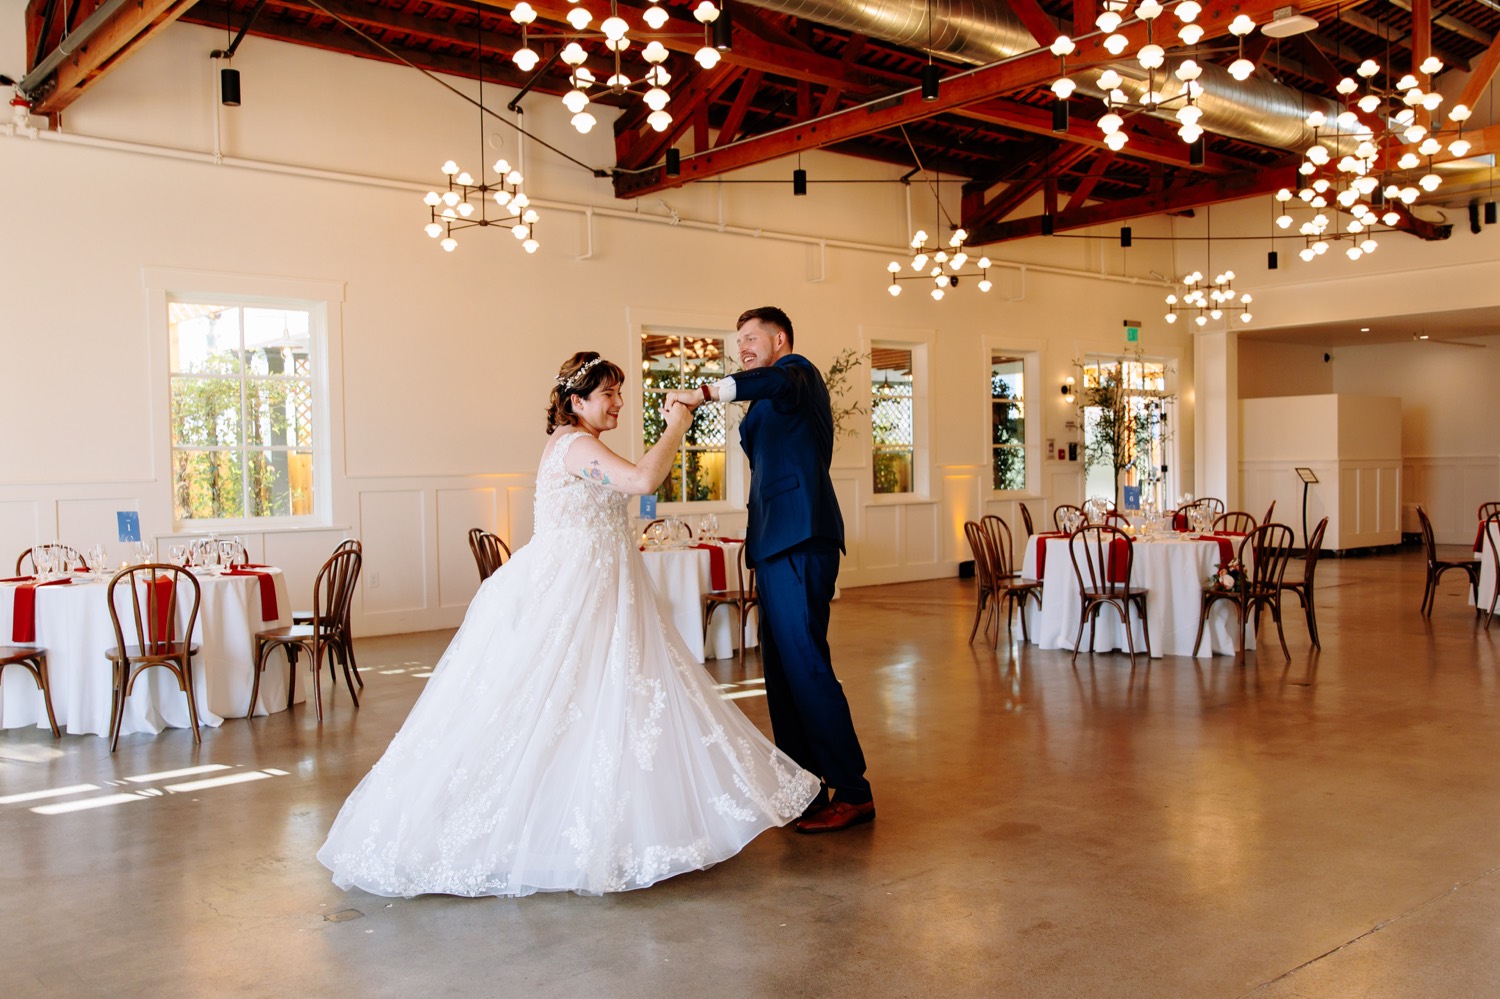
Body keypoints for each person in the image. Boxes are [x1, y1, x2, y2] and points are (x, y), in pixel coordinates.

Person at [317, 351, 821, 898]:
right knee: (550, 700)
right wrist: (679, 419)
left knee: (606, 699)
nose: (619, 403)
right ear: (576, 401)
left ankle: (614, 820)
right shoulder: (575, 444)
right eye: (609, 394)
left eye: (619, 392)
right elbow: (645, 477)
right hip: (574, 585)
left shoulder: (580, 442)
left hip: (604, 583)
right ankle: (540, 829)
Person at [670, 306, 873, 834]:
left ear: (780, 339)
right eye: (738, 341)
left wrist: (706, 392)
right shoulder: (765, 398)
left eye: (750, 337)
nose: (743, 347)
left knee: (807, 665)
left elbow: (767, 381)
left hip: (802, 537)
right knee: (780, 675)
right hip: (773, 542)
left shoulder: (797, 373)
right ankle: (804, 785)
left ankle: (853, 790)